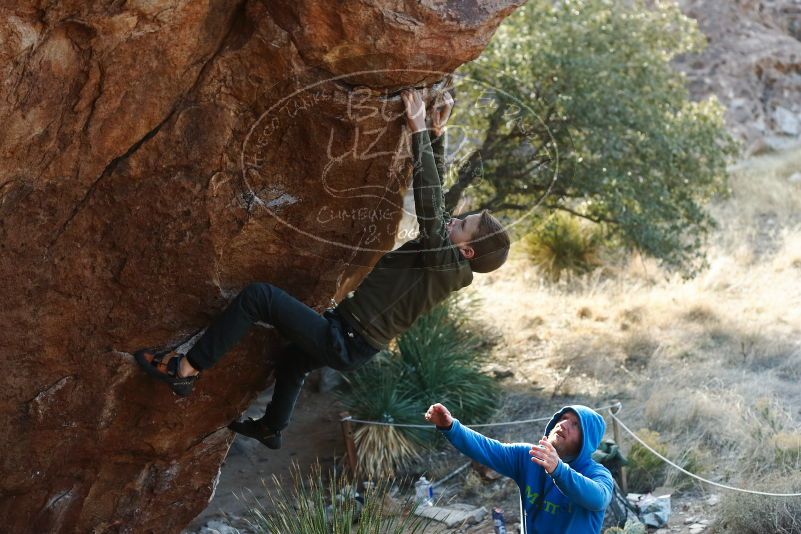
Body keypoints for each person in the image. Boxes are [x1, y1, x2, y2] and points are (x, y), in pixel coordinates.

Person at [134, 88, 511, 450]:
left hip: (345, 339)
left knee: (258, 297)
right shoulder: (448, 258)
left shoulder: (445, 265)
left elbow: (431, 206)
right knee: (293, 360)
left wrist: (417, 130)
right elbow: (441, 209)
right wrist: (436, 134)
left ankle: (185, 370)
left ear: (467, 252)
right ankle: (272, 428)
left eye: (463, 225)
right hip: (348, 336)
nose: (454, 220)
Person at [425, 403, 613, 534]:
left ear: (587, 440)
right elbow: (487, 448)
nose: (564, 424)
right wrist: (451, 427)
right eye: (563, 418)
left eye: (575, 424)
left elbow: (598, 499)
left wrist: (558, 470)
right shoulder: (529, 457)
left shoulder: (598, 474)